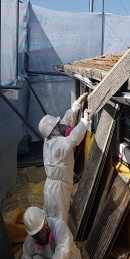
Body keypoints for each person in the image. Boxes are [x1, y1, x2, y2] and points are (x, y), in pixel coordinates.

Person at [38, 93, 91, 222]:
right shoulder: (58, 145)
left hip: (52, 186)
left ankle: (53, 238)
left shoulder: (50, 139)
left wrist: (77, 104)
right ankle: (60, 241)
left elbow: (65, 121)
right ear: (54, 130)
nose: (62, 125)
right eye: (58, 125)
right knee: (59, 218)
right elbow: (74, 138)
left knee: (51, 215)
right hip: (58, 189)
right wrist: (84, 121)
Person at [14, 206, 83, 259]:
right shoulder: (30, 240)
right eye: (35, 235)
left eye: (40, 231)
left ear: (45, 221)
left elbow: (63, 253)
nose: (39, 236)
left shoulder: (59, 226)